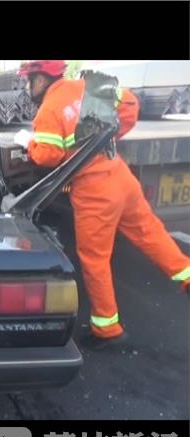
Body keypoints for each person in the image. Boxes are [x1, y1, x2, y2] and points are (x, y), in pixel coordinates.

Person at [16, 60, 190, 350]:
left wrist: (29, 143)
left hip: (95, 192)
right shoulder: (88, 87)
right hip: (120, 175)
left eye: (29, 79)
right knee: (149, 232)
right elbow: (130, 105)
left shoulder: (49, 109)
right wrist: (107, 137)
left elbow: (47, 156)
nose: (27, 86)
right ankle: (186, 276)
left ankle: (107, 330)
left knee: (95, 258)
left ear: (42, 79)